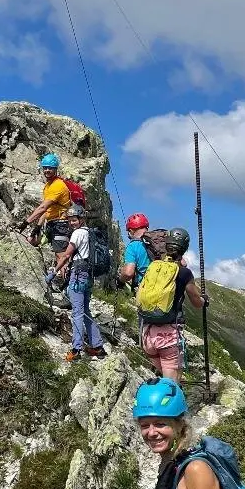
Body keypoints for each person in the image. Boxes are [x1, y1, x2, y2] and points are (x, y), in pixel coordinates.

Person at [139, 228, 205, 382]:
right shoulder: (184, 273)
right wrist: (204, 300)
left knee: (163, 379)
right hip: (169, 336)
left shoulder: (154, 266)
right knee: (171, 386)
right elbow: (196, 302)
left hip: (148, 334)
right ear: (185, 248)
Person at [54, 205, 108, 361]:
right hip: (88, 275)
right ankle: (98, 346)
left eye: (74, 220)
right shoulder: (90, 233)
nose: (72, 223)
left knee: (77, 313)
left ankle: (76, 350)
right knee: (85, 311)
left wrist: (54, 272)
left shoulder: (78, 233)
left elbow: (66, 255)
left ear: (81, 219)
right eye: (70, 220)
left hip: (78, 274)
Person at [21, 154, 73, 245]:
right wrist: (37, 227)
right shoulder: (48, 186)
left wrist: (26, 222)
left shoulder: (58, 185)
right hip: (52, 223)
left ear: (55, 169)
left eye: (50, 168)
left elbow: (43, 207)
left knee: (61, 256)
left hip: (61, 224)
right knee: (31, 240)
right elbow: (47, 210)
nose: (47, 170)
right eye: (45, 168)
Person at [120, 212, 153, 290]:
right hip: (168, 291)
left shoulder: (133, 246)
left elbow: (128, 273)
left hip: (147, 290)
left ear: (131, 231)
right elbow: (183, 263)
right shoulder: (159, 242)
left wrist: (120, 280)